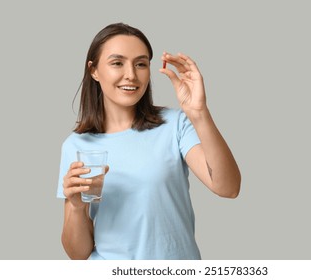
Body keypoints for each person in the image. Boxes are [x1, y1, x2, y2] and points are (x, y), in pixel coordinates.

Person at [57, 22, 241, 260]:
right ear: (93, 70)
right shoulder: (77, 146)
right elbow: (77, 254)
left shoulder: (174, 124)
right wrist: (75, 206)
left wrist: (199, 113)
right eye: (117, 63)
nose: (131, 75)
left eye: (141, 64)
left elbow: (228, 188)